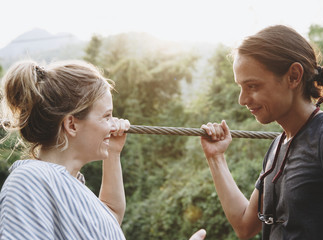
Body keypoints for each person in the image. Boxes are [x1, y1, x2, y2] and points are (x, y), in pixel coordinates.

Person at [0, 60, 206, 240]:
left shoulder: (68, 183)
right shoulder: (30, 180)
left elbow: (109, 220)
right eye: (106, 116)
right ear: (71, 125)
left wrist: (113, 153)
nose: (113, 124)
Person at [200, 25, 323, 240]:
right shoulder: (278, 146)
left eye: (253, 86)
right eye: (241, 87)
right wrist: (216, 157)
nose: (242, 100)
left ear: (293, 76)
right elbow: (245, 226)